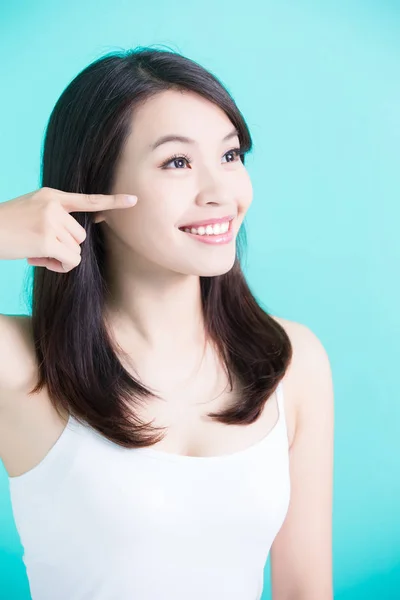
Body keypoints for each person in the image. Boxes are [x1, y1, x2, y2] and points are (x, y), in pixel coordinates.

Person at [0, 47, 334, 599]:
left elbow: (305, 591)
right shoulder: (22, 364)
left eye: (231, 156)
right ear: (93, 196)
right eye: (177, 162)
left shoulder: (292, 361)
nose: (222, 192)